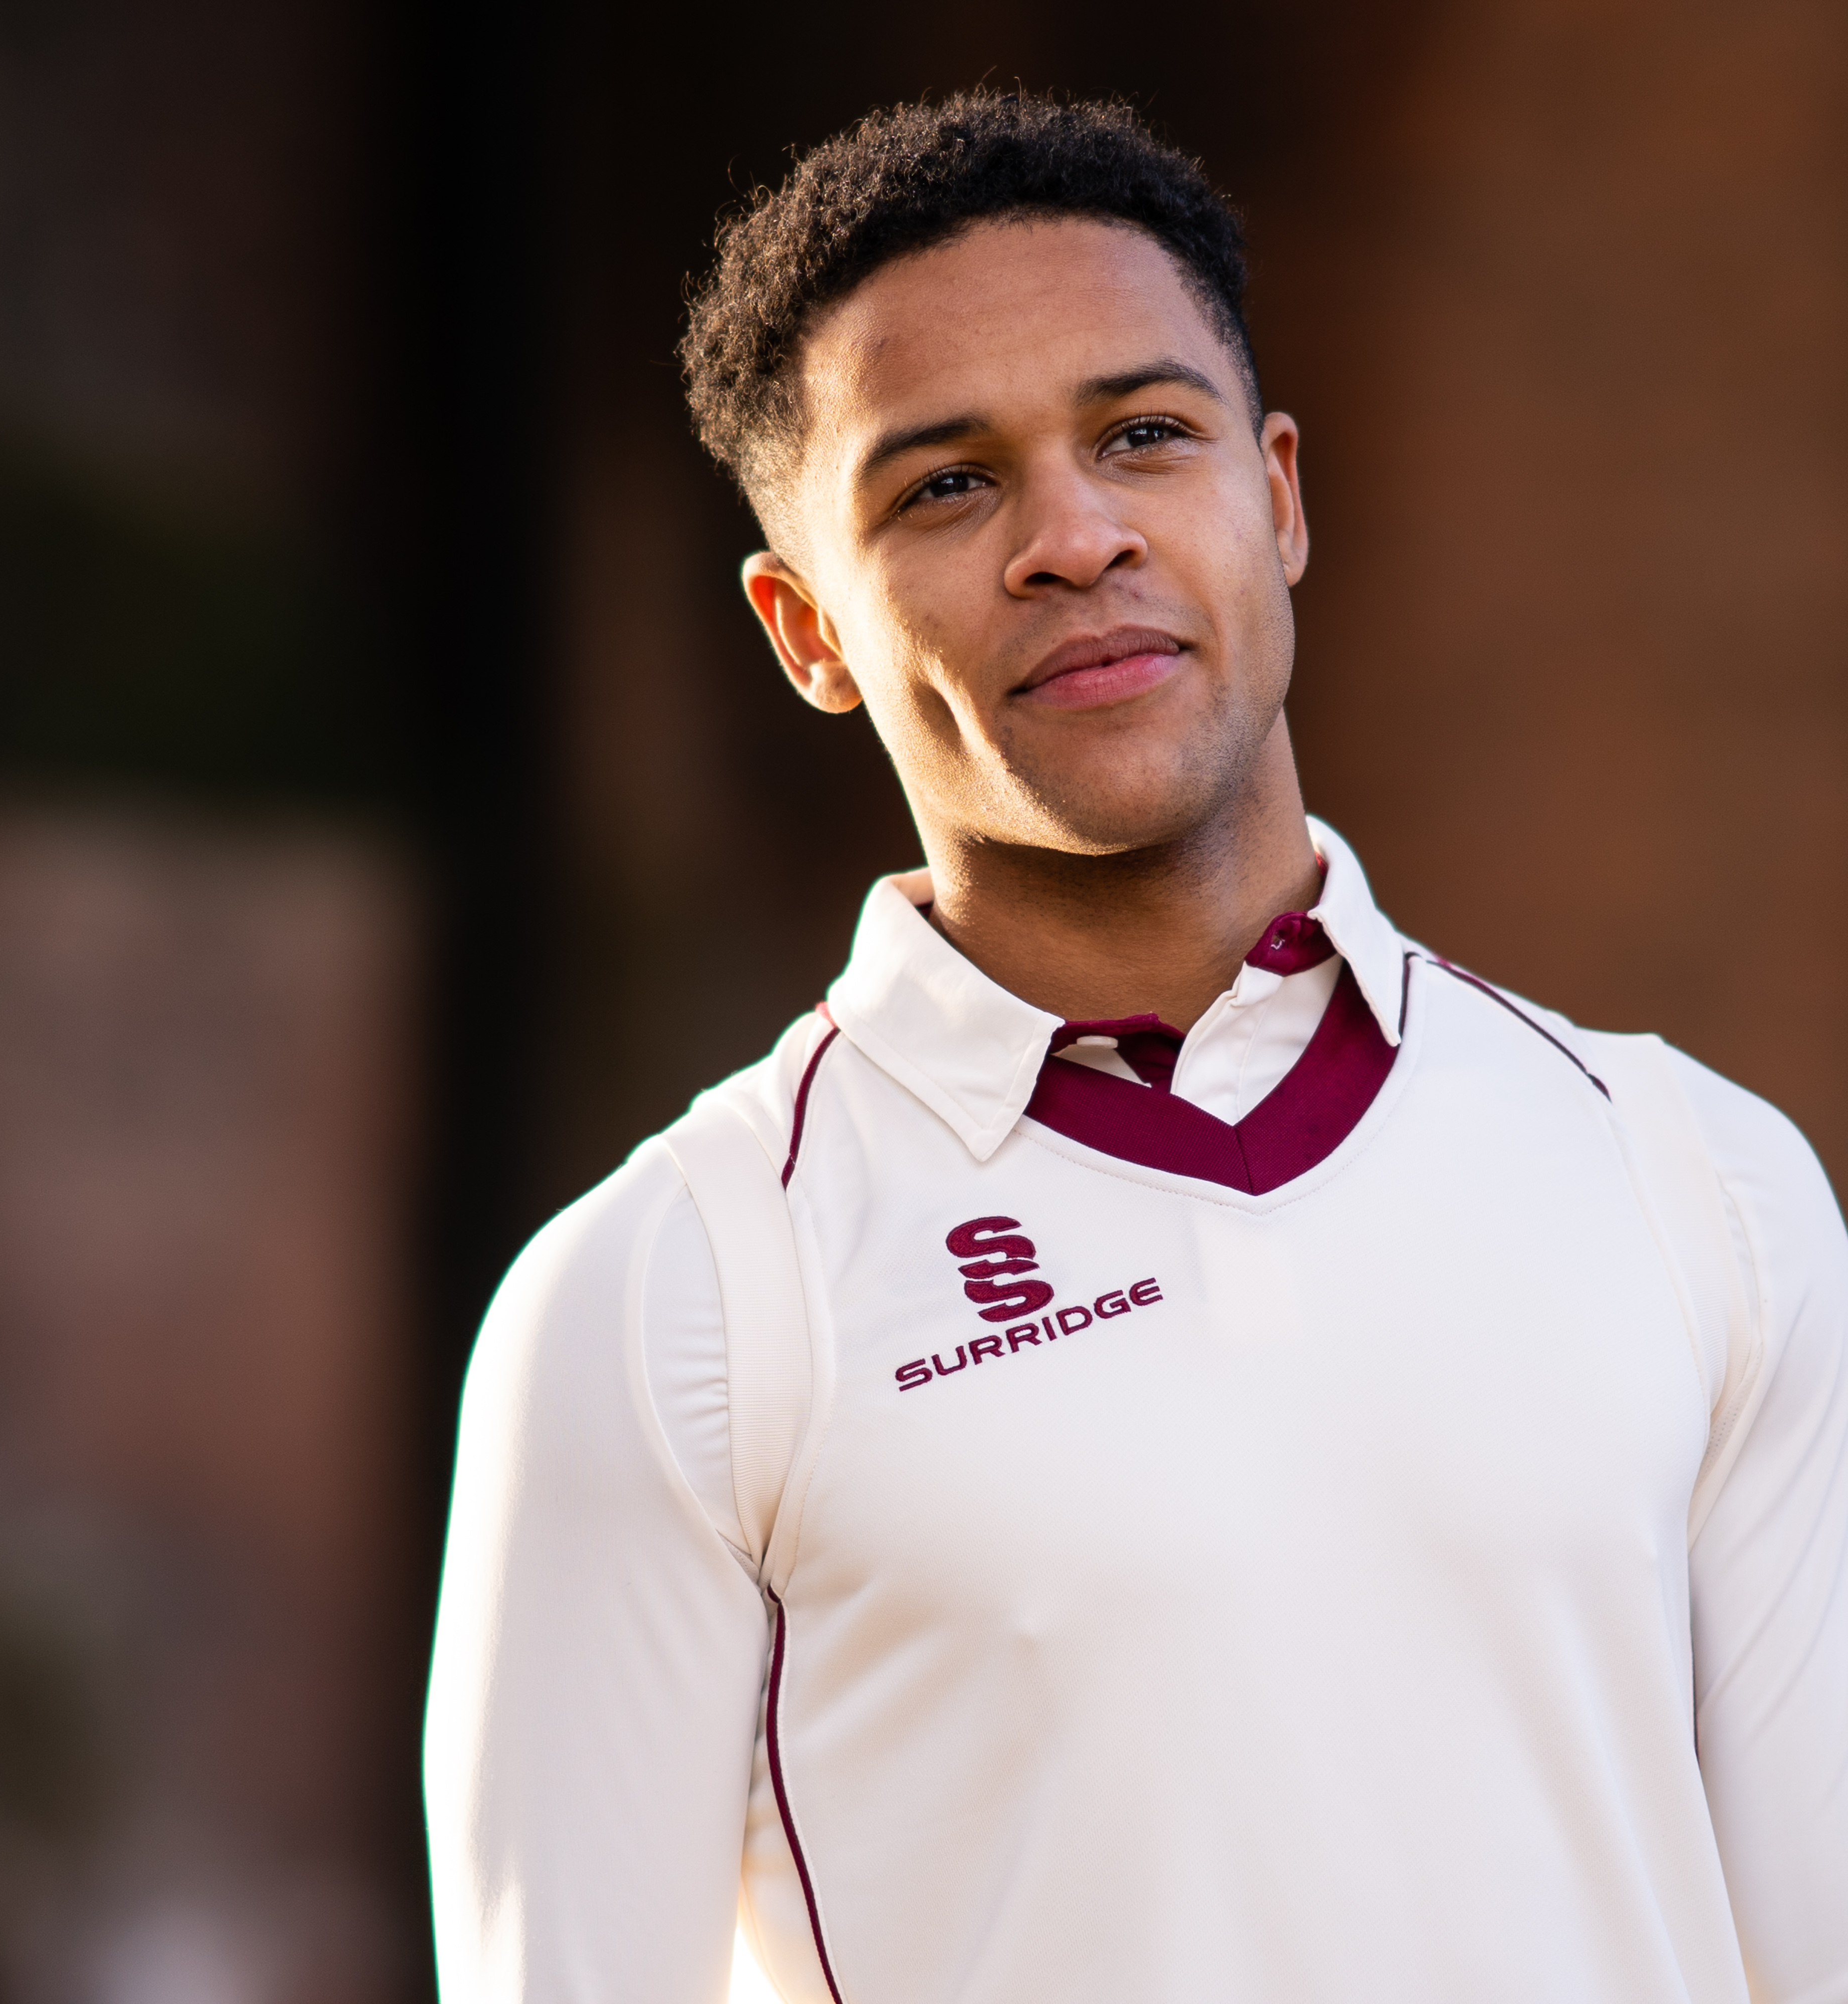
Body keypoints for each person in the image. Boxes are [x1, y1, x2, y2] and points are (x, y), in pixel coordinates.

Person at [423, 92, 1848, 2004]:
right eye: (946, 487)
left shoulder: (1699, 1183)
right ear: (806, 628)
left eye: (1145, 437)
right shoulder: (672, 1300)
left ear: (1279, 495)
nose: (1075, 539)